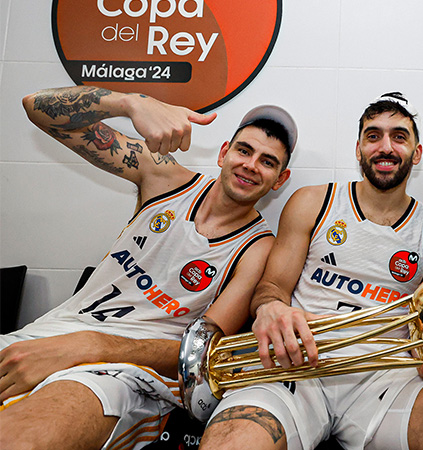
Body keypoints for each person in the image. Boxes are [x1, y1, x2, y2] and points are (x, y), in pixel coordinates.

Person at [198, 92, 423, 450]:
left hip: (385, 381)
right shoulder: (313, 201)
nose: (385, 147)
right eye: (373, 136)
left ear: (417, 152)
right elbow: (271, 286)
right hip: (297, 368)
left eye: (399, 137)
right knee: (233, 443)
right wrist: (271, 308)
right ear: (358, 148)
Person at [0, 86, 296, 449]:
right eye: (244, 150)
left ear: (280, 179)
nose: (251, 165)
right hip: (46, 337)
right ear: (224, 153)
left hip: (122, 373)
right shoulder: (164, 179)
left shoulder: (258, 248)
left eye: (268, 161)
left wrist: (88, 345)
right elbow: (35, 107)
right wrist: (128, 103)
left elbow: (201, 353)